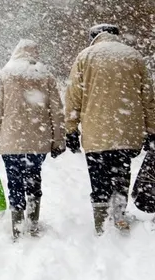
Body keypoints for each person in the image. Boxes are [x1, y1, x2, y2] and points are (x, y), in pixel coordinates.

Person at [64, 24, 155, 234]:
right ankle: (119, 217)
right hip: (126, 131)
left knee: (99, 177)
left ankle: (100, 221)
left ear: (94, 37)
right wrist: (152, 130)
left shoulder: (85, 57)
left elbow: (73, 98)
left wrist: (71, 129)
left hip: (95, 132)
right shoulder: (134, 57)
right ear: (116, 36)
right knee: (121, 173)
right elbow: (148, 99)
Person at [0, 40, 65, 239]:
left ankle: (17, 226)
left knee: (15, 182)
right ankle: (33, 222)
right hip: (38, 142)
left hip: (11, 141)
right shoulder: (45, 75)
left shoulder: (6, 74)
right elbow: (57, 111)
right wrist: (59, 140)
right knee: (34, 178)